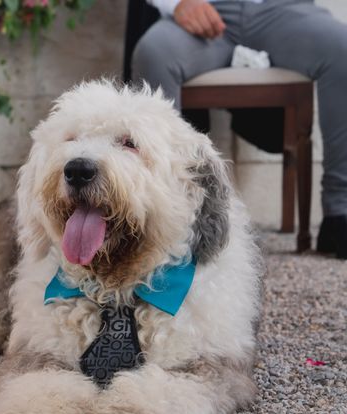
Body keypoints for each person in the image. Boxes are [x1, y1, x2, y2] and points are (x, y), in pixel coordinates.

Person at [132, 0, 347, 259]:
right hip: (207, 8)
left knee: (341, 46)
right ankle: (167, 217)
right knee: (154, 51)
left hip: (282, 9)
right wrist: (176, 3)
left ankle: (339, 210)